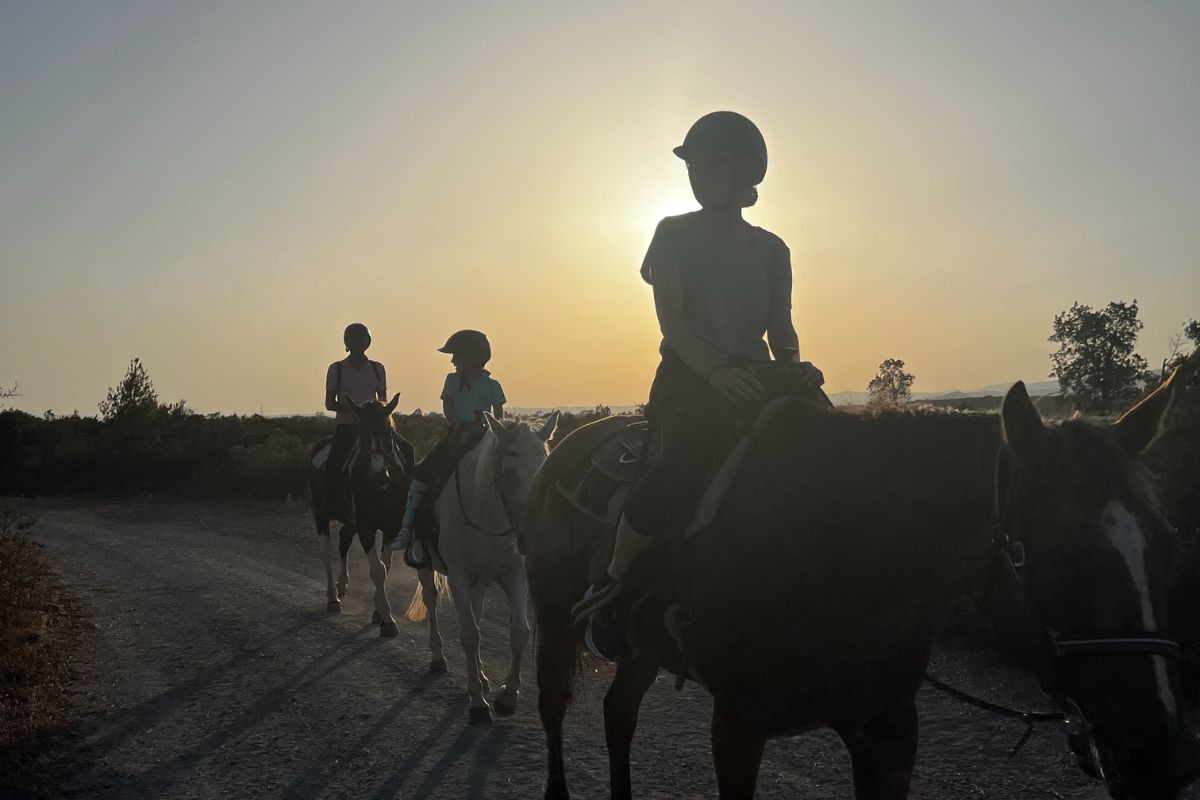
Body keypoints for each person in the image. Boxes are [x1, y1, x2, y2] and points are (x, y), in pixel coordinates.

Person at [571, 111, 824, 657]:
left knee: (830, 447)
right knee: (682, 465)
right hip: (691, 376)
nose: (700, 176)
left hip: (757, 375)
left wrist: (797, 366)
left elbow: (780, 327)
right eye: (695, 167)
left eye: (714, 166)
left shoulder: (773, 249)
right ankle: (611, 584)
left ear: (745, 176)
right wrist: (715, 372)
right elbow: (674, 325)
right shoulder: (673, 234)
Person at [391, 330, 506, 550]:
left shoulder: (493, 386)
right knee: (422, 473)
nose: (453, 360)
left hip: (484, 438)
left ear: (472, 357)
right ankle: (407, 527)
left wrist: (487, 431)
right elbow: (448, 407)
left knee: (510, 473)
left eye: (457, 356)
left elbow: (499, 416)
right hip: (456, 435)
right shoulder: (452, 380)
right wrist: (460, 427)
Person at [323, 323, 388, 516]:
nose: (359, 343)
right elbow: (329, 403)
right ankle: (331, 503)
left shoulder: (378, 369)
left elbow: (382, 399)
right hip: (347, 426)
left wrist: (372, 412)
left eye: (362, 339)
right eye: (354, 339)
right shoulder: (337, 369)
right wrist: (355, 412)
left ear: (368, 342)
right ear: (347, 343)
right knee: (335, 463)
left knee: (399, 455)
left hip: (373, 428)